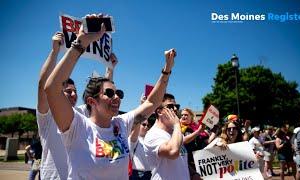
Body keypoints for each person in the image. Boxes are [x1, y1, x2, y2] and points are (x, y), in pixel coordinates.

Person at [44, 13, 176, 179]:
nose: (117, 97)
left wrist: (167, 69)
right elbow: (52, 88)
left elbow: (152, 101)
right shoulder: (76, 126)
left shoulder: (121, 124)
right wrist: (81, 42)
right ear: (92, 101)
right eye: (109, 93)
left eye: (118, 93)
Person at [37, 32, 117, 179]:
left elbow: (101, 98)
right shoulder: (47, 115)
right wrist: (54, 52)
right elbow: (44, 86)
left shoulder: (80, 115)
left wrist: (109, 69)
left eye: (75, 92)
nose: (74, 95)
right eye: (68, 91)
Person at [144, 96, 189, 180]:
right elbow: (173, 152)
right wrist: (176, 124)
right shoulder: (153, 134)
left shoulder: (176, 132)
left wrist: (193, 174)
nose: (175, 109)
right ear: (160, 111)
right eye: (170, 106)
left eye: (177, 106)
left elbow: (181, 160)